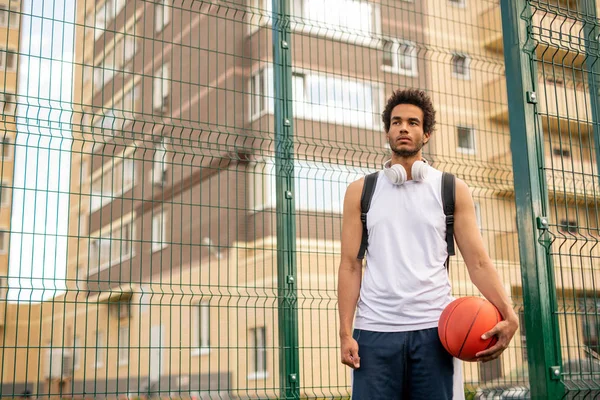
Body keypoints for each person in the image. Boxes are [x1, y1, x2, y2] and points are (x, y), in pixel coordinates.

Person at [337, 88, 519, 399]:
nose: (403, 128)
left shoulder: (451, 188)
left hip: (436, 332)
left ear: (427, 134)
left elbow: (478, 262)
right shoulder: (361, 190)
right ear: (387, 132)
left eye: (412, 122)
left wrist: (508, 313)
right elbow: (351, 265)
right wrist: (345, 333)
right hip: (374, 332)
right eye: (396, 122)